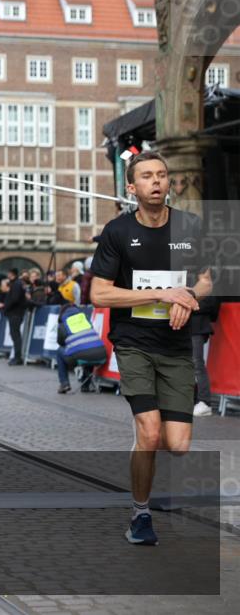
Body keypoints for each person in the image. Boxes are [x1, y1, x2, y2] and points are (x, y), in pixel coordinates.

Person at [89, 150, 212, 546]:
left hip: (176, 347)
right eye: (147, 176)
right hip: (134, 344)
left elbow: (208, 279)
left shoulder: (190, 227)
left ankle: (144, 442)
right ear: (132, 187)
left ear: (169, 182)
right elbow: (99, 294)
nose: (156, 182)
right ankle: (141, 514)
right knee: (150, 432)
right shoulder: (118, 232)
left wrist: (189, 294)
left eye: (162, 175)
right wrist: (163, 293)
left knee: (176, 445)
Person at [55, 303, 107, 394]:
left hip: (81, 356)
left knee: (60, 351)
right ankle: (86, 385)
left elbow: (60, 342)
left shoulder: (64, 322)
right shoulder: (85, 319)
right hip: (101, 355)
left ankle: (64, 383)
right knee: (87, 349)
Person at [191, 295, 221, 417]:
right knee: (183, 364)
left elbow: (212, 304)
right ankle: (193, 400)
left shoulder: (208, 281)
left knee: (196, 363)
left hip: (197, 326)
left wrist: (187, 304)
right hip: (181, 325)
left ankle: (204, 401)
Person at [1, 268, 27, 365]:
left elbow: (15, 299)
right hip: (15, 312)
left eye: (8, 273)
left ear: (12, 274)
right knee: (14, 335)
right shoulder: (16, 284)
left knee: (15, 335)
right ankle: (17, 356)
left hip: (15, 313)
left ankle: (17, 357)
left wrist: (6, 307)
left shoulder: (16, 284)